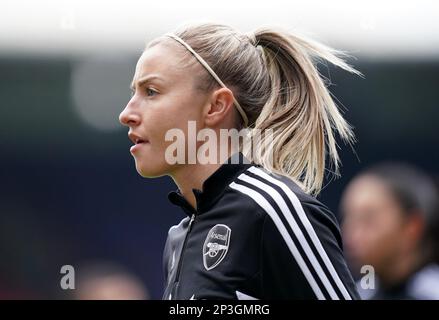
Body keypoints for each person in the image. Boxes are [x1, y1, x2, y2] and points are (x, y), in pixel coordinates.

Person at [119, 22, 360, 300]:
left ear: (216, 106)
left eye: (151, 91)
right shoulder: (178, 238)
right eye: (134, 92)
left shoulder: (271, 209)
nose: (126, 114)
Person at [341, 163, 439, 299]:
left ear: (412, 227)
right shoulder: (356, 294)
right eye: (348, 219)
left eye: (367, 219)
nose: (350, 235)